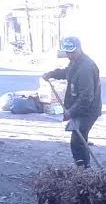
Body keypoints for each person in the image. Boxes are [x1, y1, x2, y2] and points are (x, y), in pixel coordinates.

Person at [42, 36, 102, 167]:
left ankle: (84, 170)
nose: (70, 55)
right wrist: (52, 74)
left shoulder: (86, 67)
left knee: (78, 140)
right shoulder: (76, 62)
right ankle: (83, 169)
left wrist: (71, 111)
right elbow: (67, 72)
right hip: (79, 108)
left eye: (72, 52)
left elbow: (86, 96)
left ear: (79, 49)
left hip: (87, 110)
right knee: (78, 140)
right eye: (67, 53)